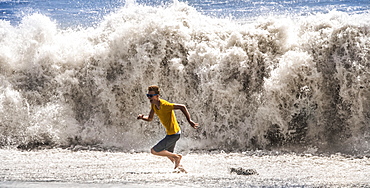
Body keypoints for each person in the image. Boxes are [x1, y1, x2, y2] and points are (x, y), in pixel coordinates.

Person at [137, 85, 199, 170]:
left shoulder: (165, 105)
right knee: (167, 153)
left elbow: (182, 107)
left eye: (151, 96)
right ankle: (180, 168)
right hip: (171, 133)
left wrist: (190, 121)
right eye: (148, 96)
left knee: (154, 151)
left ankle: (177, 157)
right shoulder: (154, 106)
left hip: (174, 134)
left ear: (157, 96)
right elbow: (150, 118)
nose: (149, 98)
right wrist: (142, 117)